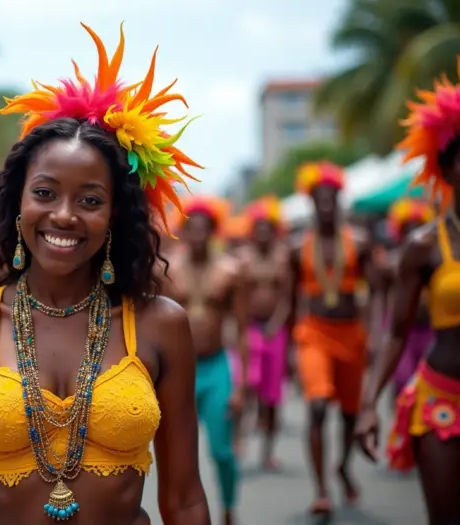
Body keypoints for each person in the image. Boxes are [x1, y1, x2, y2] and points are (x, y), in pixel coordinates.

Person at [0, 22, 211, 525]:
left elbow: (183, 499)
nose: (65, 216)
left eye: (90, 200)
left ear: (116, 215)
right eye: (45, 193)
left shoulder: (160, 323)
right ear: (17, 203)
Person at [356, 64, 460, 524]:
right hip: (442, 399)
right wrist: (368, 407)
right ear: (448, 169)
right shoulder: (423, 246)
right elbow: (395, 332)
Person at [287, 161, 382, 517]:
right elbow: (291, 296)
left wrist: (373, 332)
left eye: (331, 199)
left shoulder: (359, 241)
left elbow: (377, 291)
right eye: (318, 200)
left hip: (352, 334)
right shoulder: (297, 247)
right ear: (311, 203)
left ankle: (343, 466)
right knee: (317, 406)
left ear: (339, 200)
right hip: (313, 333)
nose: (325, 205)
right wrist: (288, 349)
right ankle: (322, 489)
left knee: (349, 414)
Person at [162, 195, 247, 525]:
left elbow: (241, 331)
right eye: (191, 229)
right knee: (177, 454)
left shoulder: (231, 271)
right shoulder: (167, 270)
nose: (197, 236)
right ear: (183, 233)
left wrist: (242, 386)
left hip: (216, 367)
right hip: (179, 372)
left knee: (222, 451)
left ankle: (228, 507)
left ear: (213, 231)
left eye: (204, 229)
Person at [235, 195, 290, 471]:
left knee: (272, 394)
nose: (264, 233)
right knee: (246, 385)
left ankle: (267, 452)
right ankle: (239, 441)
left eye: (268, 228)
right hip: (249, 329)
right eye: (259, 228)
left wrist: (276, 325)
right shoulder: (243, 260)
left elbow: (287, 298)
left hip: (274, 332)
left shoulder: (283, 258)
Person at [382, 198, 435, 401]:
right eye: (409, 229)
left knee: (426, 386)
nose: (414, 234)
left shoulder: (432, 257)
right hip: (402, 329)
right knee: (403, 383)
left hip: (429, 330)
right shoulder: (391, 263)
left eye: (419, 228)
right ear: (399, 231)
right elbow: (380, 297)